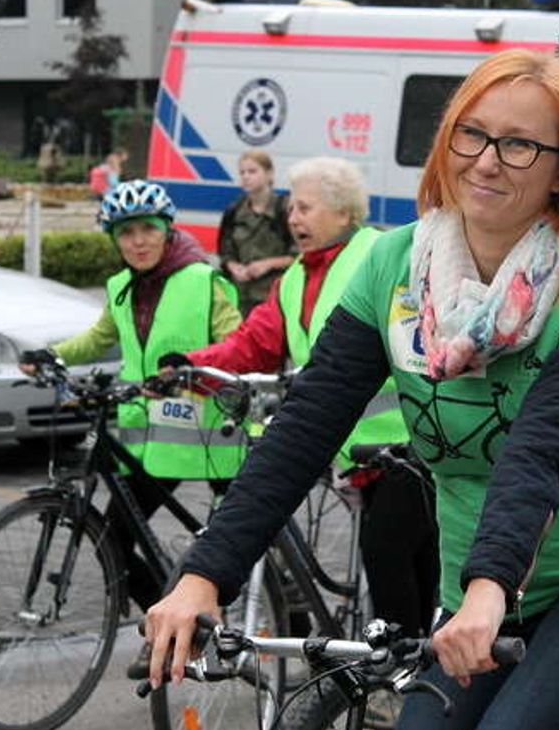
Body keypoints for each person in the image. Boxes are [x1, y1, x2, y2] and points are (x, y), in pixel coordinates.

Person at [143, 49, 559, 730]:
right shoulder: (392, 265)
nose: (487, 161)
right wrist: (203, 573)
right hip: (476, 585)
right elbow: (306, 425)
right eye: (472, 132)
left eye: (520, 144)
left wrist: (491, 587)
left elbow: (541, 448)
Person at [162, 155, 438, 638]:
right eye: (292, 209)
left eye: (307, 209)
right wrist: (194, 365)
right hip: (349, 449)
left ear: (345, 215)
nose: (293, 219)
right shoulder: (295, 278)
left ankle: (408, 672)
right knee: (402, 559)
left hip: (410, 441)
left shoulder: (380, 255)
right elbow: (255, 343)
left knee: (389, 550)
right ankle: (409, 657)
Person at [19, 178, 242, 611]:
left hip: (212, 434)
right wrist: (51, 355)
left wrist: (189, 366)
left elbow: (237, 344)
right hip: (154, 439)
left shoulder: (204, 281)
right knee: (112, 541)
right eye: (126, 233)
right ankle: (169, 623)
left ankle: (294, 617)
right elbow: (98, 337)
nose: (138, 242)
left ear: (167, 229)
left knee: (242, 548)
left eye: (148, 229)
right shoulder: (121, 286)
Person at [217, 150, 296, 314]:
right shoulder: (234, 211)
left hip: (275, 298)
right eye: (242, 172)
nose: (246, 176)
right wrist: (234, 267)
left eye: (252, 171)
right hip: (240, 297)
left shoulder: (285, 210)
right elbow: (225, 251)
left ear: (269, 174)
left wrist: (267, 264)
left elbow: (301, 255)